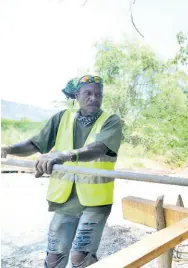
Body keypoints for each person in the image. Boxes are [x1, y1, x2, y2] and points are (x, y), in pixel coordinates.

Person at [1, 75, 122, 268]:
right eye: (88, 93)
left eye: (98, 94)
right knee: (53, 258)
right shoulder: (62, 118)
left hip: (96, 202)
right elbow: (35, 143)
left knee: (80, 258)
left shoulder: (111, 121)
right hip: (65, 200)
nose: (94, 98)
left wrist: (65, 155)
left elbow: (98, 148)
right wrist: (9, 149)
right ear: (77, 95)